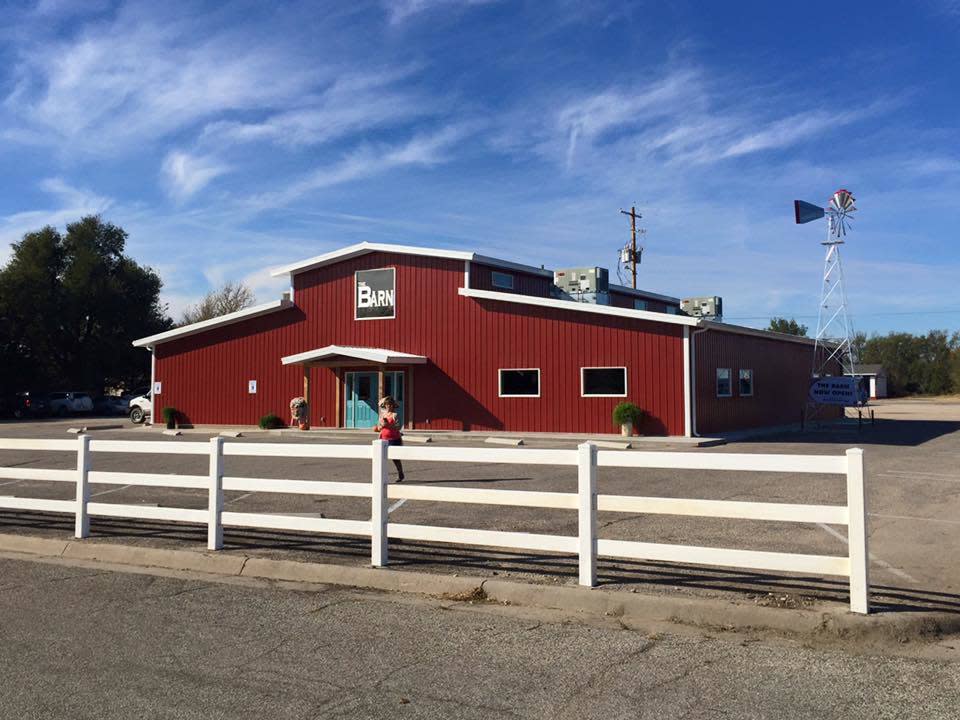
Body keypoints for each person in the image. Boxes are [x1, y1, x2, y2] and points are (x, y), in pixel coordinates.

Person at [375, 395, 405, 482]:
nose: (389, 406)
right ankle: (381, 476)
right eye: (388, 404)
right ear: (385, 405)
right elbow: (379, 427)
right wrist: (379, 428)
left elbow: (398, 427)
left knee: (395, 458)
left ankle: (400, 473)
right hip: (383, 439)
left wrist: (388, 425)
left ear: (393, 406)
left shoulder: (395, 415)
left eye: (391, 404)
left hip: (394, 439)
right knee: (381, 458)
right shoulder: (383, 415)